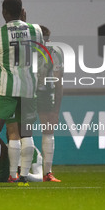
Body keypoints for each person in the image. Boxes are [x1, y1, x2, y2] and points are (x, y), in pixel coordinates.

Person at [0, 0, 45, 186]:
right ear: (22, 10)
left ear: (4, 12)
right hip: (29, 88)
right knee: (26, 133)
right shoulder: (36, 30)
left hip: (6, 86)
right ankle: (22, 176)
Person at [37, 25, 64, 182]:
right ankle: (18, 171)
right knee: (19, 131)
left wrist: (56, 110)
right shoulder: (26, 51)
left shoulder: (54, 52)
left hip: (43, 93)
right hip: (27, 93)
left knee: (47, 129)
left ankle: (47, 172)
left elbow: (58, 81)